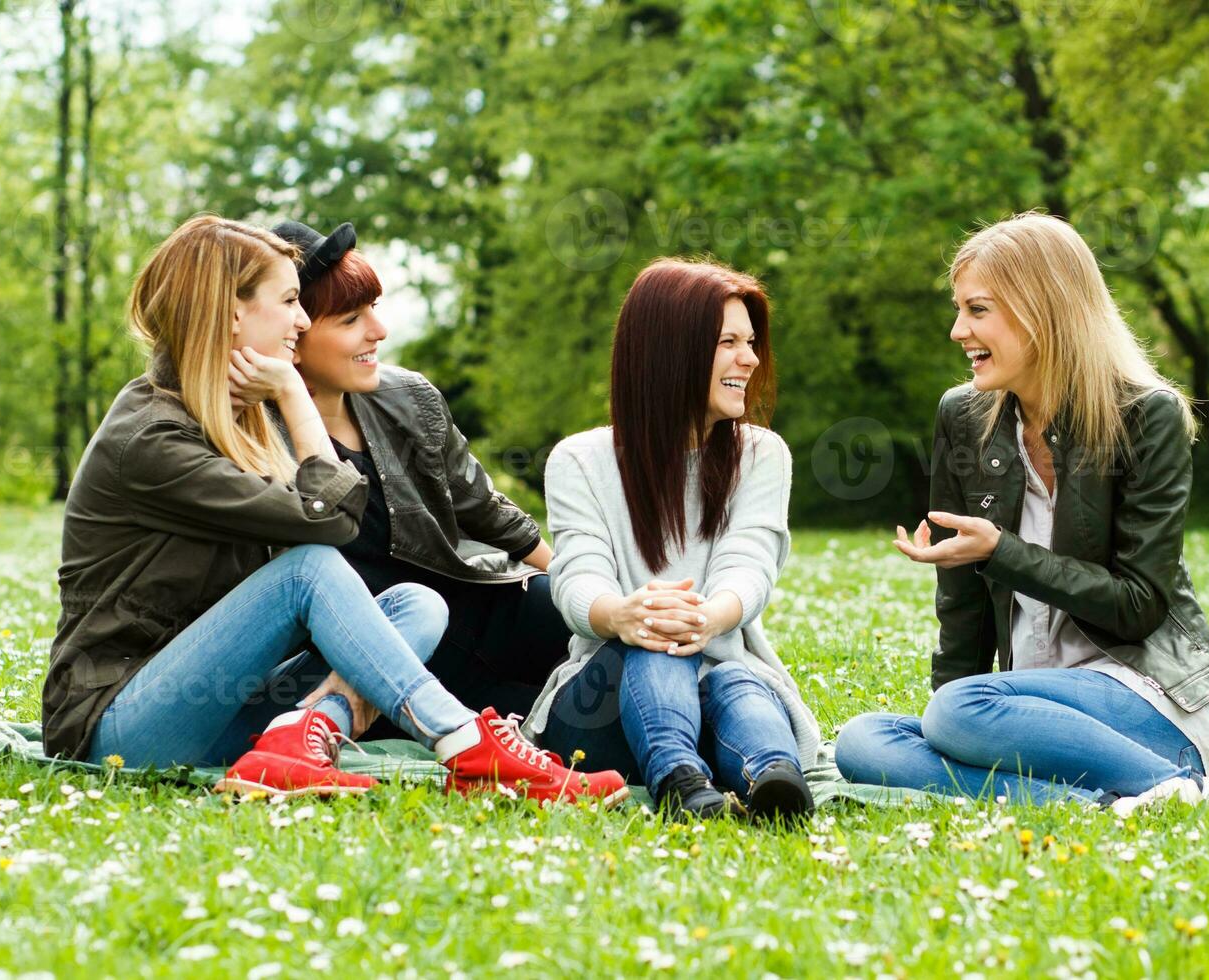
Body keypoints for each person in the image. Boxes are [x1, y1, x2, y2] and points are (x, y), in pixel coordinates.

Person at [42, 214, 626, 805]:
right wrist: (295, 393)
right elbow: (328, 521)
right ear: (233, 312)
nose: (301, 318)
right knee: (309, 568)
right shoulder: (153, 437)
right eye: (291, 301)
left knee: (418, 604)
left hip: (222, 703)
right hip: (118, 726)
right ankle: (466, 743)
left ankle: (295, 743)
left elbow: (464, 511)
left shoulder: (228, 411)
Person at [835, 212, 1209, 815]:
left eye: (977, 310)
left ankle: (1169, 776)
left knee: (957, 711)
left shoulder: (1145, 415)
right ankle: (1102, 803)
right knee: (863, 740)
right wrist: (961, 731)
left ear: (1042, 310)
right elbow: (963, 607)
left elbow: (1137, 606)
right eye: (958, 309)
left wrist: (1003, 552)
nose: (956, 331)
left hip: (1144, 692)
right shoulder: (963, 417)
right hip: (1021, 704)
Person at [524, 257, 821, 819]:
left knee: (735, 677)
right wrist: (624, 616)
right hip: (605, 709)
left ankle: (774, 778)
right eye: (728, 342)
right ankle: (680, 782)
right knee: (657, 648)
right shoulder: (581, 461)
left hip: (725, 688)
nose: (750, 359)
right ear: (672, 351)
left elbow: (750, 563)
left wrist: (709, 618)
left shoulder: (762, 456)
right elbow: (576, 573)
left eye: (751, 341)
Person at [270, 220, 571, 721]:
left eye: (374, 310)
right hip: (390, 657)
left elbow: (483, 509)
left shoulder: (407, 396)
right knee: (570, 728)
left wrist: (575, 582)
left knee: (603, 638)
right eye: (350, 319)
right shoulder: (250, 438)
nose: (378, 331)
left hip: (477, 603)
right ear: (293, 336)